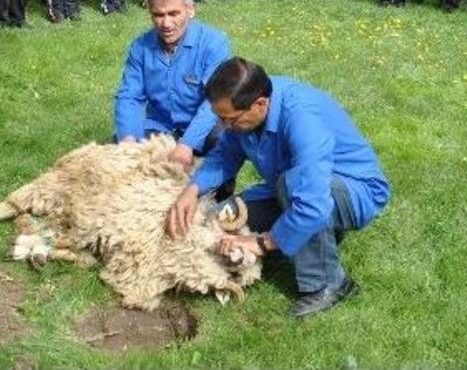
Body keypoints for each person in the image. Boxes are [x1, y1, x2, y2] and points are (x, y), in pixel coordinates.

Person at [165, 57, 391, 319]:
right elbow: (226, 154)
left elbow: (313, 203)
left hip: (354, 191)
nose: (225, 126)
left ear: (260, 104)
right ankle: (316, 238)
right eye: (220, 119)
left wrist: (262, 243)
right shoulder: (248, 104)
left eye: (230, 120)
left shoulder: (302, 118)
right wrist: (193, 190)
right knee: (226, 215)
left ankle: (330, 283)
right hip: (294, 186)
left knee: (294, 188)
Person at [113, 0, 231, 166]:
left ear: (190, 10)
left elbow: (213, 100)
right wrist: (128, 140)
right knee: (118, 149)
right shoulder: (140, 47)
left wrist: (188, 144)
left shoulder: (215, 44)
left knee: (223, 137)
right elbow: (129, 96)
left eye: (173, 14)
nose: (166, 23)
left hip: (203, 126)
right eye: (158, 15)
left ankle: (220, 183)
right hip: (159, 126)